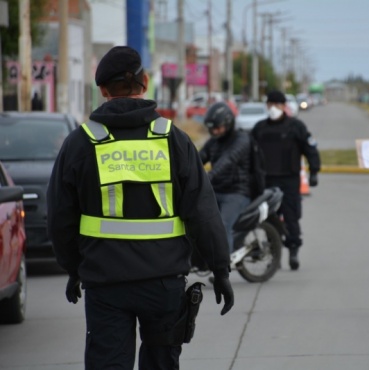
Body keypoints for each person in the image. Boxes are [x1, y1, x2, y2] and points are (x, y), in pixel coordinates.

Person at [46, 46, 234, 370]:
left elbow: (60, 217)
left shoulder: (80, 144)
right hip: (164, 283)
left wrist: (74, 268)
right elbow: (203, 211)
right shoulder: (173, 139)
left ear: (103, 90)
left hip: (105, 284)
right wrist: (220, 269)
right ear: (144, 83)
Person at [251, 90, 321, 270]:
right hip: (266, 180)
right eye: (270, 104)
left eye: (277, 104)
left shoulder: (296, 126)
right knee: (268, 217)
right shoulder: (259, 128)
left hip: (289, 180)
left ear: (284, 106)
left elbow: (310, 148)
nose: (273, 108)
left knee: (291, 216)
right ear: (266, 106)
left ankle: (293, 251)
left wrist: (314, 171)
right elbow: (249, 153)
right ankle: (274, 256)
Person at [199, 102, 252, 254]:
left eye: (217, 127)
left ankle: (223, 270)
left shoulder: (241, 140)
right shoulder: (214, 141)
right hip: (216, 190)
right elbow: (198, 158)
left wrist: (209, 176)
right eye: (211, 128)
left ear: (228, 124)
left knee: (222, 225)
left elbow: (227, 161)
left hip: (237, 192)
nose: (214, 131)